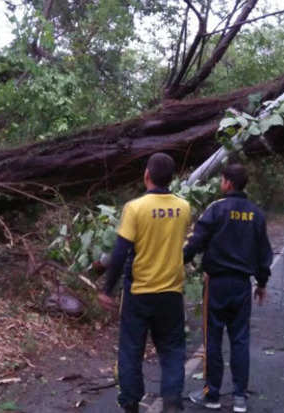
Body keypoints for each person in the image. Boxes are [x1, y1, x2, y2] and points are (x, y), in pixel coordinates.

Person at [98, 153, 191, 413]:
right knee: (172, 349)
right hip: (171, 292)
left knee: (131, 350)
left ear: (146, 175)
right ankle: (172, 400)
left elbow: (119, 253)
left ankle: (130, 402)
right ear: (171, 178)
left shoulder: (135, 208)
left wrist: (108, 289)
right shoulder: (183, 208)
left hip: (139, 292)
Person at [184, 163, 273, 413]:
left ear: (228, 183)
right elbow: (264, 253)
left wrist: (178, 262)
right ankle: (239, 398)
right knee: (240, 340)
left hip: (217, 284)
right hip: (243, 286)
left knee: (212, 339)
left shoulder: (216, 209)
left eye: (222, 180)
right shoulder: (256, 214)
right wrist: (262, 283)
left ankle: (211, 394)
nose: (220, 184)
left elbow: (195, 242)